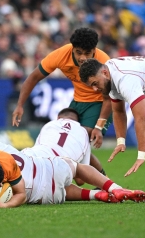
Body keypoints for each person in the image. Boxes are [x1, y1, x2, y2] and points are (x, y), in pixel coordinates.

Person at [11, 27, 111, 175]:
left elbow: (110, 98)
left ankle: (98, 180)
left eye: (88, 53)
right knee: (72, 143)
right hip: (77, 102)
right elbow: (33, 77)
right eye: (78, 52)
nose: (83, 58)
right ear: (72, 48)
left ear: (94, 50)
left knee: (80, 136)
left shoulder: (105, 63)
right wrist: (19, 105)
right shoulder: (60, 55)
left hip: (101, 103)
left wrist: (99, 126)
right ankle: (100, 179)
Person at [0, 134, 145, 205]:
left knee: (58, 191)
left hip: (37, 194)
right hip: (42, 165)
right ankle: (114, 187)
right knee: (77, 168)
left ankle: (96, 195)